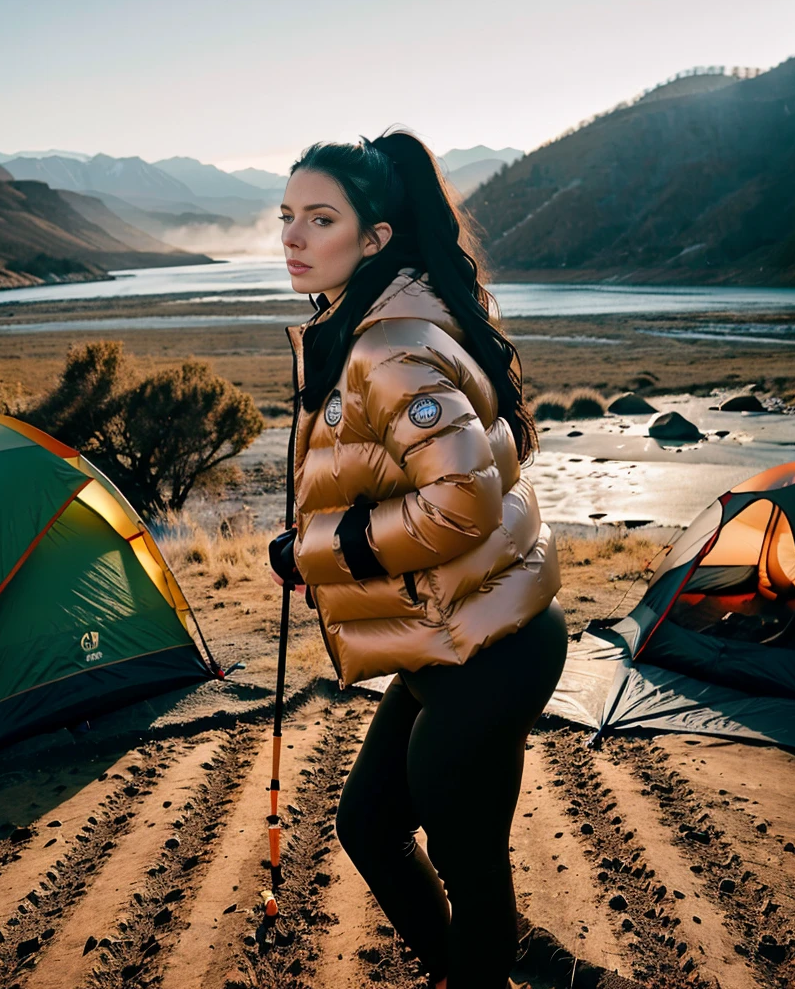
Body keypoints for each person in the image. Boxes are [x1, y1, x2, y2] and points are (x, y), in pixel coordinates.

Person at [268, 126, 568, 989]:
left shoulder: (385, 343)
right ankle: (477, 967)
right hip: (460, 631)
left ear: (374, 239)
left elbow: (461, 501)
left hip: (488, 650)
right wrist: (317, 549)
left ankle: (486, 969)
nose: (292, 237)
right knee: (370, 825)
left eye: (318, 219)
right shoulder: (368, 322)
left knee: (469, 864)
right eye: (286, 216)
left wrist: (320, 550)